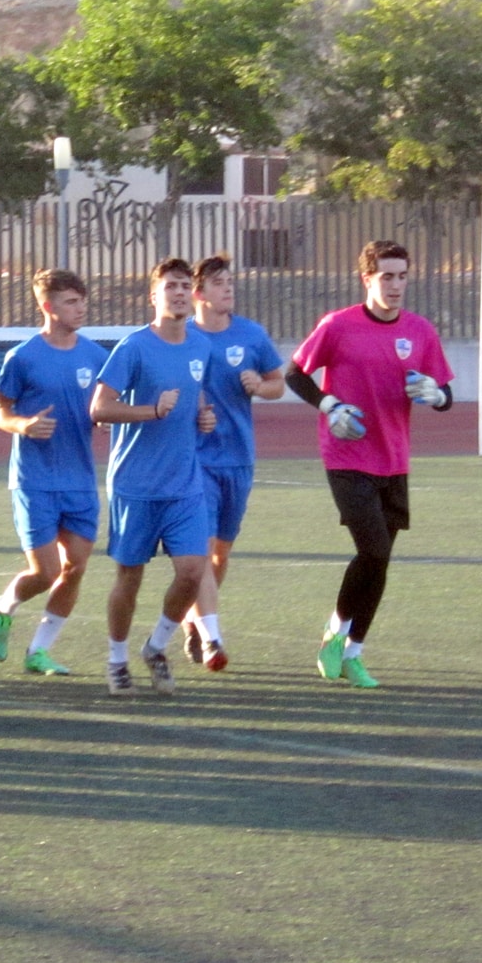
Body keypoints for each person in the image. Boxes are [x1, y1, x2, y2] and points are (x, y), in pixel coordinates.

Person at [287, 239, 452, 690]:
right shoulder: (338, 326)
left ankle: (351, 651)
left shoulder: (420, 331)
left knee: (380, 561)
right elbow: (294, 373)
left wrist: (436, 395)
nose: (395, 285)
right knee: (374, 549)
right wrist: (329, 406)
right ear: (367, 279)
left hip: (394, 459)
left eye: (401, 276)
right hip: (347, 456)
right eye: (386, 276)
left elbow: (445, 394)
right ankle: (334, 636)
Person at [88, 259, 218, 697]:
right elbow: (99, 409)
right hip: (135, 485)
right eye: (170, 287)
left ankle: (157, 646)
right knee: (130, 577)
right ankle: (117, 659)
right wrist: (151, 411)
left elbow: (194, 398)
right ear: (154, 296)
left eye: (185, 286)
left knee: (192, 570)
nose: (179, 293)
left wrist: (203, 417)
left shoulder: (200, 347)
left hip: (184, 484)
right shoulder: (133, 348)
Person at [0, 268, 110, 677]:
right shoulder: (22, 357)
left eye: (82, 300)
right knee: (46, 571)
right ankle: (3, 607)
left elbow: (106, 404)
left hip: (79, 480)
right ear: (47, 306)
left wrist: (107, 419)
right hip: (34, 479)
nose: (80, 308)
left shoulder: (95, 356)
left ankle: (39, 650)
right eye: (71, 302)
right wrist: (22, 424)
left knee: (76, 567)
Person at [184, 253, 285, 671]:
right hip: (196, 461)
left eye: (230, 281)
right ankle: (212, 638)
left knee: (222, 554)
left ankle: (195, 622)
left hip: (239, 460)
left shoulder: (251, 334)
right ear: (198, 294)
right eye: (219, 283)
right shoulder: (183, 336)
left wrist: (260, 385)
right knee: (203, 551)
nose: (228, 288)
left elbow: (279, 383)